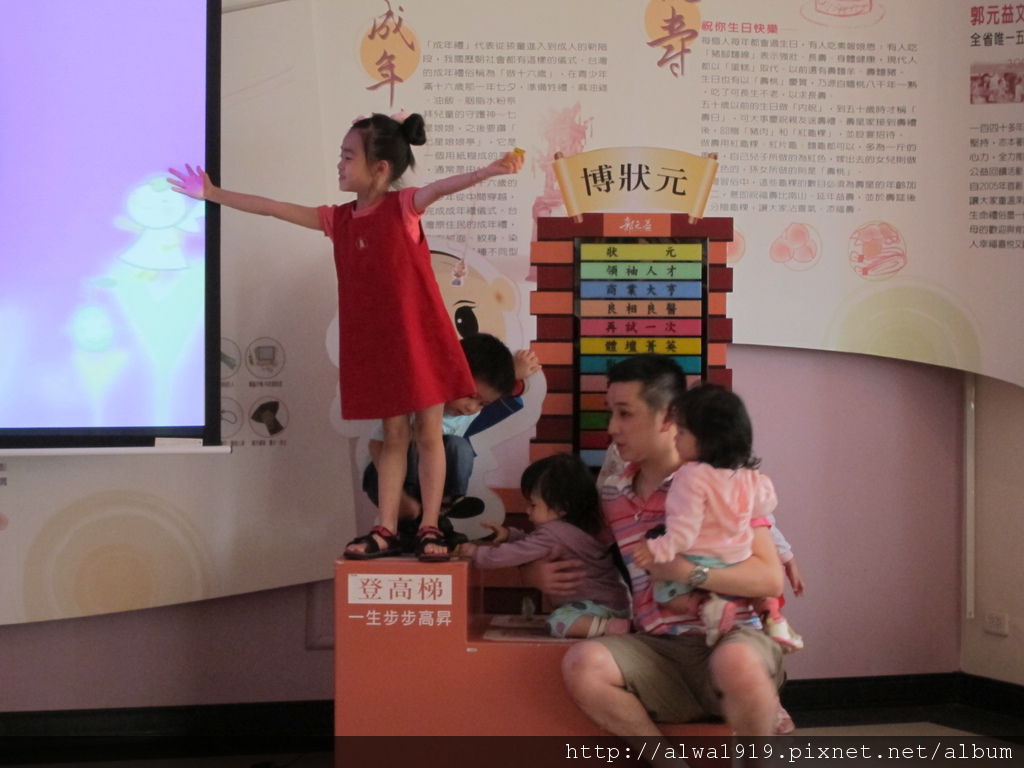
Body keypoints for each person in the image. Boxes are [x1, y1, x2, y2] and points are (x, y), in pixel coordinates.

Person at [168, 113, 523, 562]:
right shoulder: (338, 219)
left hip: (421, 341)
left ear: (380, 168)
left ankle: (430, 526)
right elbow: (274, 207)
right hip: (380, 347)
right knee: (394, 435)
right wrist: (213, 194)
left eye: (348, 156)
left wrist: (489, 171)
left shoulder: (404, 206)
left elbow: (442, 188)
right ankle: (385, 527)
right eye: (341, 155)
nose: (339, 164)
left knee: (430, 433)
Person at [557, 355, 786, 737]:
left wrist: (687, 572)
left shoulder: (722, 482)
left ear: (668, 417)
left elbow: (769, 579)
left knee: (737, 663)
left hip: (732, 639)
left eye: (625, 413)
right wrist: (532, 572)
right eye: (610, 412)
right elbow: (578, 547)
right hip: (660, 650)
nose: (612, 428)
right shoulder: (613, 494)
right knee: (583, 664)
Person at [631, 383, 804, 651]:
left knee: (663, 591)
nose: (675, 437)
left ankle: (707, 608)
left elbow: (683, 531)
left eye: (682, 432)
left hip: (701, 558)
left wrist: (656, 550)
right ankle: (773, 617)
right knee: (757, 589)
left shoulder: (690, 477)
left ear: (706, 439)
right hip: (739, 558)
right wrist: (786, 555)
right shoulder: (748, 477)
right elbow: (763, 515)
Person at [360, 334, 540, 548]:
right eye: (470, 396)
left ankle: (435, 519)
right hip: (383, 476)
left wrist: (515, 372)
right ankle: (409, 526)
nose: (472, 408)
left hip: (428, 485)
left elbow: (502, 391)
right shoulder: (416, 404)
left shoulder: (470, 409)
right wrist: (401, 497)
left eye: (482, 404)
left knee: (459, 447)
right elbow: (377, 445)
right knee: (420, 462)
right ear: (451, 375)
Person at [458, 453, 631, 638]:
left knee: (557, 622)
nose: (527, 511)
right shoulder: (576, 530)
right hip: (613, 604)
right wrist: (509, 535)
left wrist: (476, 553)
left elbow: (515, 553)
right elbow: (530, 545)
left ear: (561, 508)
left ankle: (612, 627)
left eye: (533, 505)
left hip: (596, 607)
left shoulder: (553, 532)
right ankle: (613, 624)